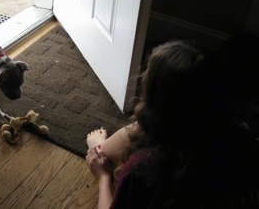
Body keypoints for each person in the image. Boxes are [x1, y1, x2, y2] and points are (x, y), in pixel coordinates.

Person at [85, 40, 259, 208]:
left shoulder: (144, 168)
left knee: (106, 152)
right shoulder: (243, 141)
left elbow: (107, 156)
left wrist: (104, 176)